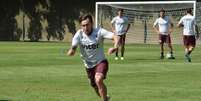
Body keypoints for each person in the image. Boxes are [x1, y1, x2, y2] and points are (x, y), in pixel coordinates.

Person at [67, 14, 118, 101]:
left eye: (87, 24)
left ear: (92, 24)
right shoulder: (79, 35)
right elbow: (73, 47)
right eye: (83, 25)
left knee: (98, 80)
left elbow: (115, 36)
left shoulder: (99, 31)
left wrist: (115, 47)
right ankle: (106, 98)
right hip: (88, 66)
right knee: (94, 86)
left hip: (101, 62)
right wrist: (72, 51)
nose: (85, 27)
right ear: (80, 26)